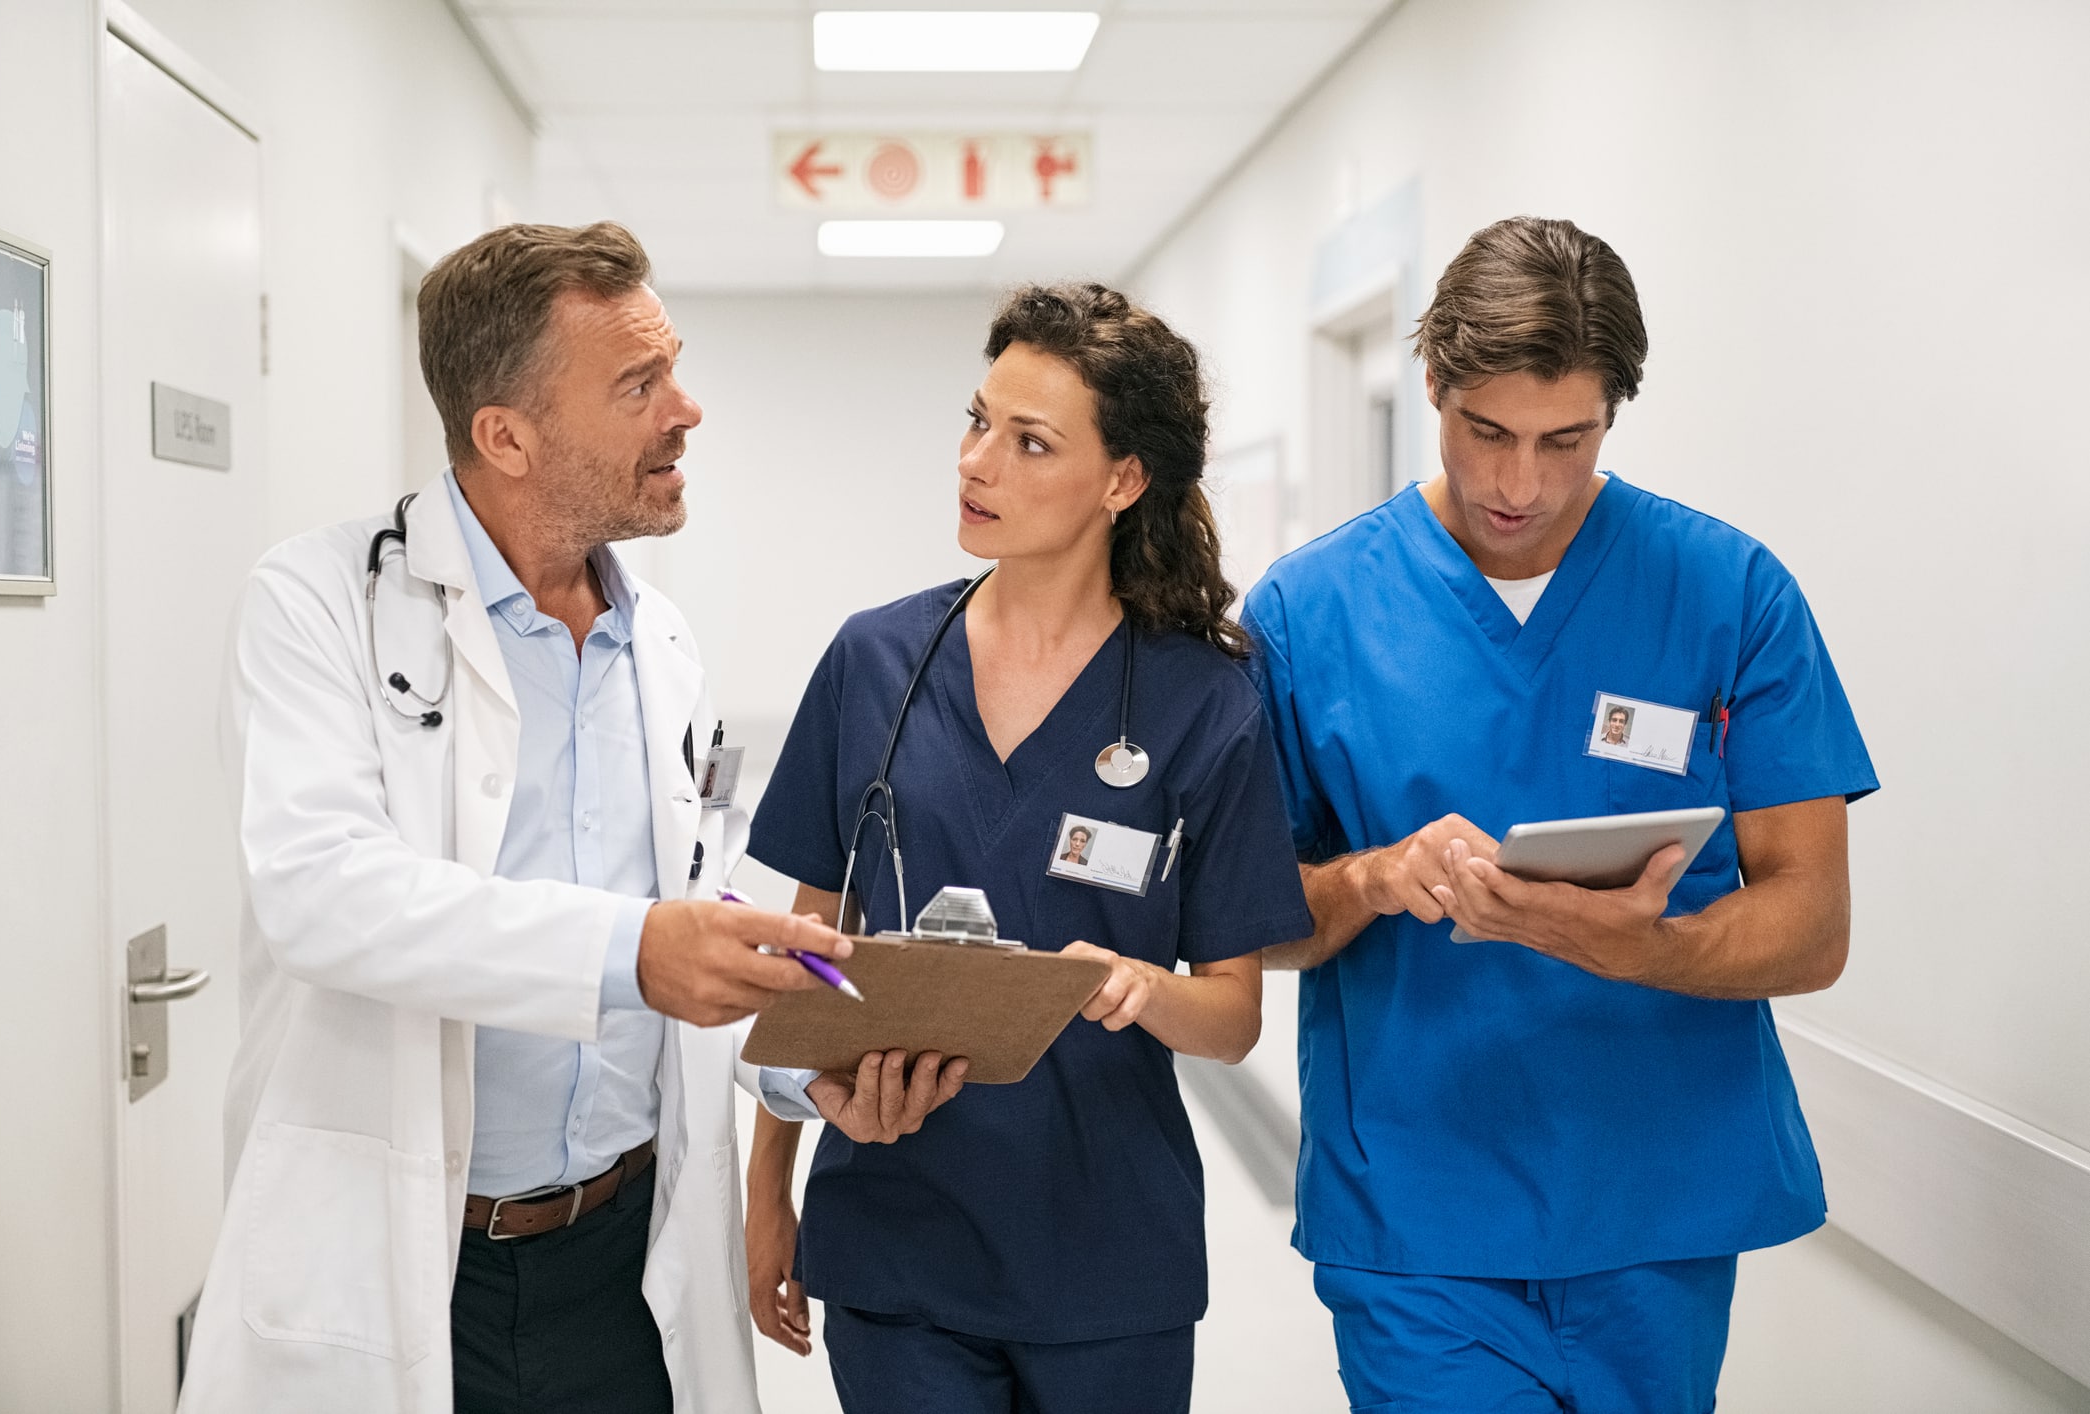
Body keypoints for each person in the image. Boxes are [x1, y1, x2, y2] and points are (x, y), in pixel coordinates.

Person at [180, 222, 950, 1414]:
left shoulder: (662, 642)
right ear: (507, 435)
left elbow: (698, 915)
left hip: (623, 1264)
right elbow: (322, 894)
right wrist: (631, 950)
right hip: (414, 1264)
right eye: (639, 385)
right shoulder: (318, 603)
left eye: (674, 368)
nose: (686, 410)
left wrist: (811, 1067)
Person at [1241, 217, 1878, 1414]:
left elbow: (1812, 920)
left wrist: (1652, 946)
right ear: (1430, 382)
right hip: (1418, 1204)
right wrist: (1371, 879)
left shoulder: (1729, 594)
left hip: (1658, 1202)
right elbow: (1251, 924)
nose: (1518, 484)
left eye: (1564, 439)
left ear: (1612, 416)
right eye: (1485, 432)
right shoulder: (1307, 611)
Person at [741, 283, 1313, 1414]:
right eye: (977, 421)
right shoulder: (876, 664)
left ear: (1123, 480)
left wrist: (1129, 983)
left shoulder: (1206, 699)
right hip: (896, 1230)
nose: (976, 462)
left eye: (1029, 441)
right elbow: (808, 952)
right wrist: (770, 1186)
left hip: (1105, 1253)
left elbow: (1234, 1015)